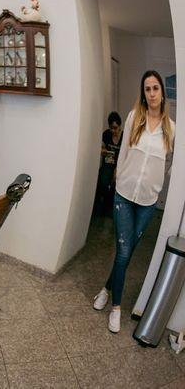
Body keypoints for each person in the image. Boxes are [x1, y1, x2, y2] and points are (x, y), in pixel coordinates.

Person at [93, 70, 175, 333]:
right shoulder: (133, 118)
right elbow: (124, 153)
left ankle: (106, 288)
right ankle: (116, 308)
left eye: (155, 88)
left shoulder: (171, 128)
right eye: (147, 89)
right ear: (143, 93)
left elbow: (170, 162)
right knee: (124, 252)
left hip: (148, 202)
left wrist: (158, 182)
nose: (151, 94)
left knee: (126, 253)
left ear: (162, 92)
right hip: (125, 196)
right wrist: (118, 177)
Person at [92, 111, 122, 218]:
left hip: (118, 166)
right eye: (111, 128)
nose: (113, 131)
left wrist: (117, 169)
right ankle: (99, 210)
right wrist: (102, 150)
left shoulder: (124, 137)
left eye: (115, 128)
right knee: (102, 183)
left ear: (120, 126)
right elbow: (100, 147)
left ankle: (110, 209)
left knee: (115, 187)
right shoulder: (106, 134)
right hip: (107, 165)